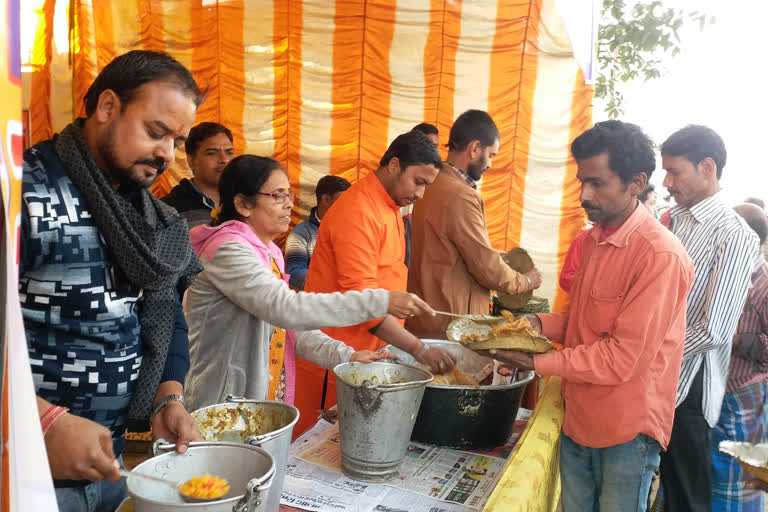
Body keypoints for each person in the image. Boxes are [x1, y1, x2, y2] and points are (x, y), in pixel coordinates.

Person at [20, 50, 205, 512]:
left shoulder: (156, 222)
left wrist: (168, 397)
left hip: (109, 462)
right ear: (106, 107)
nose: (167, 154)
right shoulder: (26, 193)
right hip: (22, 465)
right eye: (156, 132)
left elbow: (164, 317)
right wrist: (42, 421)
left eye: (177, 141)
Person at [486, 120, 694, 512]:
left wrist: (534, 360)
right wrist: (533, 325)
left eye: (597, 183)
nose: (584, 194)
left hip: (625, 430)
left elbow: (622, 357)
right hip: (579, 415)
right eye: (582, 181)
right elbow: (583, 323)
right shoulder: (595, 239)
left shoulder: (660, 255)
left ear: (636, 183)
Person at [182, 155, 434, 410]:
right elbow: (286, 309)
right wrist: (381, 301)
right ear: (243, 204)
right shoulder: (227, 250)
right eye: (278, 195)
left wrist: (348, 356)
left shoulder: (267, 251)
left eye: (289, 194)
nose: (289, 204)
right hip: (221, 404)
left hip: (254, 401)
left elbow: (290, 329)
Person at [294, 130, 457, 435]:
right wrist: (420, 350)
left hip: (369, 358)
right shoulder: (358, 211)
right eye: (418, 182)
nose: (420, 194)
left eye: (427, 186)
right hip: (335, 362)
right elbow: (365, 305)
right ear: (394, 165)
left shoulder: (391, 206)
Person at [658, 124, 759, 512]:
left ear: (707, 167)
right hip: (656, 374)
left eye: (675, 171)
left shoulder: (735, 235)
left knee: (686, 494)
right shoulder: (673, 219)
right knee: (665, 485)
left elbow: (714, 329)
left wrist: (647, 350)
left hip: (688, 383)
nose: (666, 181)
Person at [406, 110, 542, 339]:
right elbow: (487, 270)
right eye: (491, 155)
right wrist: (525, 281)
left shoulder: (432, 183)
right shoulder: (461, 195)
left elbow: (446, 249)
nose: (489, 164)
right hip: (452, 325)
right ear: (475, 148)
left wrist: (492, 255)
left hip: (425, 316)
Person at [710, 203, 768, 512]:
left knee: (736, 485)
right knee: (708, 478)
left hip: (742, 396)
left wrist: (736, 339)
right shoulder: (724, 271)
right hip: (710, 392)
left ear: (747, 237)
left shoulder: (764, 283)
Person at [162, 122, 235, 227]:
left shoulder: (245, 202)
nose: (224, 160)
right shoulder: (168, 210)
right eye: (212, 153)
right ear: (191, 161)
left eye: (229, 153)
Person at [284, 175, 351, 290]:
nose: (349, 205)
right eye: (343, 200)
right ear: (325, 199)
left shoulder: (354, 230)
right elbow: (295, 273)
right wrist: (337, 286)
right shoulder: (301, 234)